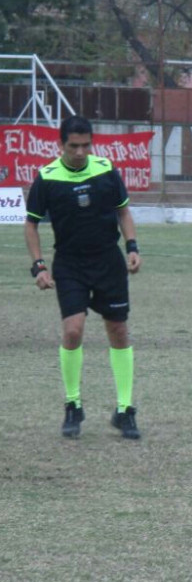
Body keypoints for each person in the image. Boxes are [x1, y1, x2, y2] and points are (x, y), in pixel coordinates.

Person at [24, 115, 142, 440]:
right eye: (73, 146)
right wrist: (39, 266)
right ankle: (73, 404)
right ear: (60, 145)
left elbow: (123, 210)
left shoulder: (105, 170)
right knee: (73, 331)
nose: (80, 152)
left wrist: (132, 246)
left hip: (108, 260)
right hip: (70, 264)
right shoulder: (47, 177)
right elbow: (31, 224)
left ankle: (124, 409)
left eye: (86, 145)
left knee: (118, 330)